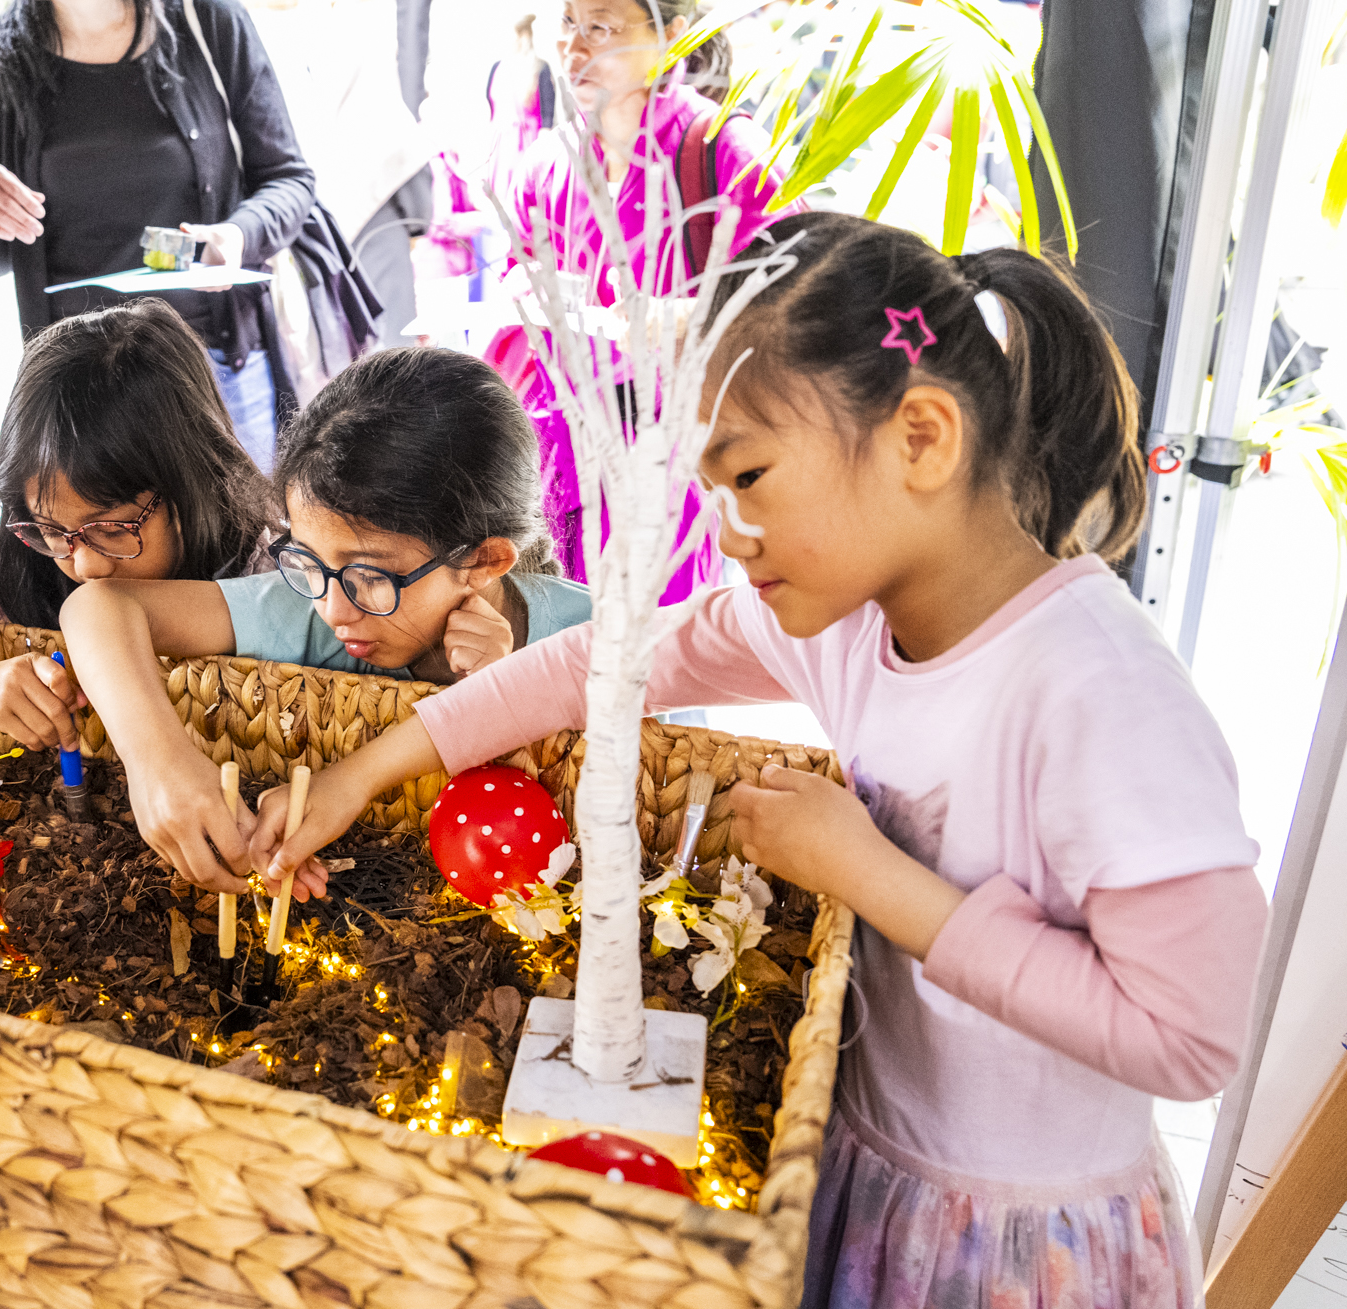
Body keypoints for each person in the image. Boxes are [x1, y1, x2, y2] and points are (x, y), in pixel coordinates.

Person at [250, 213, 1268, 1307]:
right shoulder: (834, 623)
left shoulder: (1100, 697)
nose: (727, 531)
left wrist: (862, 870)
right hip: (862, 1169)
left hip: (1020, 1247)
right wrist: (364, 772)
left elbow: (1187, 1041)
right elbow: (599, 662)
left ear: (919, 438)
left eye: (748, 476)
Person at [59, 346, 592, 890]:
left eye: (371, 577)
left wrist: (509, 688)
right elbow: (100, 606)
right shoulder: (306, 602)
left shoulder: (587, 632)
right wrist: (158, 763)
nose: (334, 611)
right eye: (307, 558)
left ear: (483, 561)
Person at [0, 300, 275, 752]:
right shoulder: (22, 572)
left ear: (194, 484)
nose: (84, 565)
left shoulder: (270, 579)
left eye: (115, 529)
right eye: (51, 531)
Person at [491, 0, 791, 607]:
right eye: (567, 25)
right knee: (560, 648)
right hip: (557, 460)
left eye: (600, 27)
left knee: (660, 665)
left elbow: (795, 296)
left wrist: (689, 317)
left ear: (672, 35)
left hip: (673, 466)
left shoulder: (723, 149)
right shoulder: (547, 162)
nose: (574, 50)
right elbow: (517, 276)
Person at [0, 0, 316, 471]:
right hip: (79, 390)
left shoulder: (207, 20)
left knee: (250, 539)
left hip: (218, 370)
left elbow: (289, 179)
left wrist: (237, 234)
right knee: (112, 543)